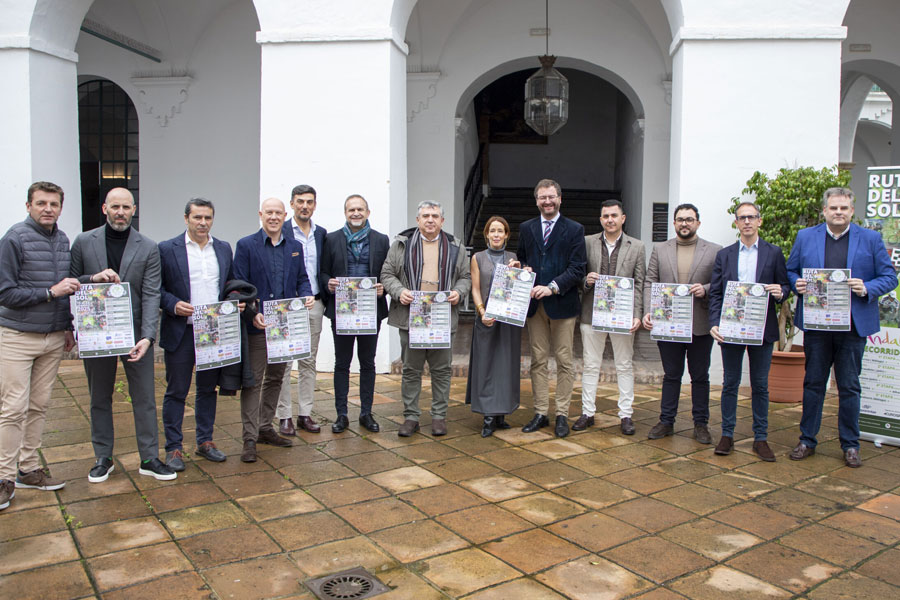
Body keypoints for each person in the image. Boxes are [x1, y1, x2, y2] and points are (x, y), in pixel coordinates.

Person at [786, 187, 897, 468]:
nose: (838, 212)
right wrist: (796, 283)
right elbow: (791, 269)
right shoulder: (805, 236)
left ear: (851, 211)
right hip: (817, 326)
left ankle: (850, 444)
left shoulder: (870, 238)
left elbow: (890, 276)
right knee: (813, 384)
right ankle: (807, 440)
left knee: (849, 387)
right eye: (833, 208)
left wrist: (867, 287)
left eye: (843, 208)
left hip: (852, 327)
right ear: (824, 211)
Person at [70, 188, 175, 482]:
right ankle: (103, 457)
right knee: (99, 397)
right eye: (115, 206)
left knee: (144, 398)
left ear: (134, 209)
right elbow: (71, 281)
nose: (120, 212)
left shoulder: (148, 246)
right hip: (97, 333)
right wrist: (92, 278)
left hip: (135, 335)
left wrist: (148, 337)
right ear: (105, 208)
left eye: (125, 207)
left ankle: (149, 457)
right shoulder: (83, 242)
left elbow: (152, 293)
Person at [0, 182, 79, 510]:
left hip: (52, 337)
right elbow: (5, 293)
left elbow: (66, 287)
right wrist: (50, 293)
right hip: (18, 336)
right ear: (29, 205)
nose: (48, 209)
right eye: (41, 203)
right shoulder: (14, 239)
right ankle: (4, 477)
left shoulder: (62, 240)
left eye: (54, 204)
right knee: (13, 408)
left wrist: (69, 325)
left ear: (61, 208)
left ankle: (28, 468)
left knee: (40, 405)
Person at [233, 198, 313, 462]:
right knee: (253, 382)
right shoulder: (246, 245)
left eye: (279, 213)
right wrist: (252, 314)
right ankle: (249, 438)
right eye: (269, 212)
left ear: (285, 215)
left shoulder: (294, 247)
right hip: (258, 326)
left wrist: (306, 296)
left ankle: (265, 427)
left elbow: (302, 279)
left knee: (276, 379)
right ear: (260, 214)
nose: (274, 217)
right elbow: (239, 286)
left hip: (285, 327)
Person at [708, 201, 790, 461]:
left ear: (759, 221)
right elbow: (717, 293)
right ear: (736, 223)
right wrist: (714, 322)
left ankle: (761, 438)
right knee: (730, 383)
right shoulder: (725, 254)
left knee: (760, 385)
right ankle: (727, 435)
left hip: (761, 329)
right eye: (742, 218)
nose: (747, 222)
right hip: (731, 328)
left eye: (751, 217)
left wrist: (781, 292)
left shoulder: (773, 252)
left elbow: (784, 286)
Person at [382, 201, 471, 437]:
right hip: (410, 316)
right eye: (425, 216)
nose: (430, 220)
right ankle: (411, 416)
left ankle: (439, 416)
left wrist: (458, 292)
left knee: (441, 369)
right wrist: (399, 291)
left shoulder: (455, 246)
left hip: (442, 317)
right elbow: (387, 273)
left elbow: (465, 277)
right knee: (411, 369)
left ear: (442, 220)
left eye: (435, 216)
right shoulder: (401, 245)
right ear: (417, 220)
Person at [158, 198, 235, 471]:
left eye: (207, 218)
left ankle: (205, 441)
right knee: (177, 390)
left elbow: (230, 284)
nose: (203, 223)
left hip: (212, 332)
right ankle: (174, 448)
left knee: (207, 390)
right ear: (186, 218)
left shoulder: (223, 248)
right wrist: (172, 304)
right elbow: (156, 288)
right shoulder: (167, 249)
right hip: (181, 331)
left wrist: (235, 300)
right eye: (197, 218)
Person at [642, 203, 721, 444]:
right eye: (680, 219)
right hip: (668, 324)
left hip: (700, 323)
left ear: (697, 222)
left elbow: (721, 283)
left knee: (699, 376)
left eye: (689, 219)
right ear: (674, 223)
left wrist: (705, 289)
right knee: (671, 374)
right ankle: (666, 420)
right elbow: (649, 281)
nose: (684, 223)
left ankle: (701, 424)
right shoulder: (660, 249)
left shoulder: (714, 250)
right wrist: (648, 310)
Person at [516, 179, 587, 437]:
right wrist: (523, 267)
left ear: (560, 199)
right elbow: (522, 256)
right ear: (536, 200)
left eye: (551, 197)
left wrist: (553, 287)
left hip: (562, 304)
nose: (547, 201)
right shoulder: (526, 228)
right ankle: (540, 412)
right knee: (537, 361)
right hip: (535, 306)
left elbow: (578, 268)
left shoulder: (574, 229)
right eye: (542, 197)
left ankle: (562, 414)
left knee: (565, 361)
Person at [321, 194, 390, 433]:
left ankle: (366, 413)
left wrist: (384, 287)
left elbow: (388, 274)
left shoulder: (381, 240)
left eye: (360, 209)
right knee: (342, 363)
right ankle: (341, 414)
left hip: (371, 310)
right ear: (345, 213)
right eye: (351, 209)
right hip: (342, 312)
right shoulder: (331, 239)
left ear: (368, 212)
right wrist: (327, 282)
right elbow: (322, 272)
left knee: (368, 363)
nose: (356, 213)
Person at [577, 199, 645, 435]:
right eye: (605, 216)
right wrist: (586, 280)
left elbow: (639, 283)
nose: (610, 220)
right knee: (590, 365)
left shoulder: (636, 246)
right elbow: (578, 275)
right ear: (600, 219)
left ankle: (626, 415)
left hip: (622, 316)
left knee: (624, 365)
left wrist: (637, 314)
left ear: (623, 218)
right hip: (591, 314)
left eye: (614, 215)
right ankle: (587, 412)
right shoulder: (587, 243)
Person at [276, 185, 326, 435]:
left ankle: (305, 413)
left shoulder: (321, 234)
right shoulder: (281, 230)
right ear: (292, 204)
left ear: (315, 205)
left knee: (308, 362)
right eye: (300, 201)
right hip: (287, 308)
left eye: (309, 201)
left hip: (314, 305)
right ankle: (284, 415)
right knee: (284, 363)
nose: (304, 206)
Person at [466, 216, 522, 437]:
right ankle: (488, 415)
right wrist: (481, 312)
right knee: (486, 365)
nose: (497, 235)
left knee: (505, 364)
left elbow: (518, 289)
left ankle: (501, 414)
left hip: (507, 319)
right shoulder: (478, 258)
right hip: (487, 317)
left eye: (501, 231)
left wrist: (520, 272)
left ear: (507, 235)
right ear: (487, 234)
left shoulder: (513, 258)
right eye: (493, 231)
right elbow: (475, 288)